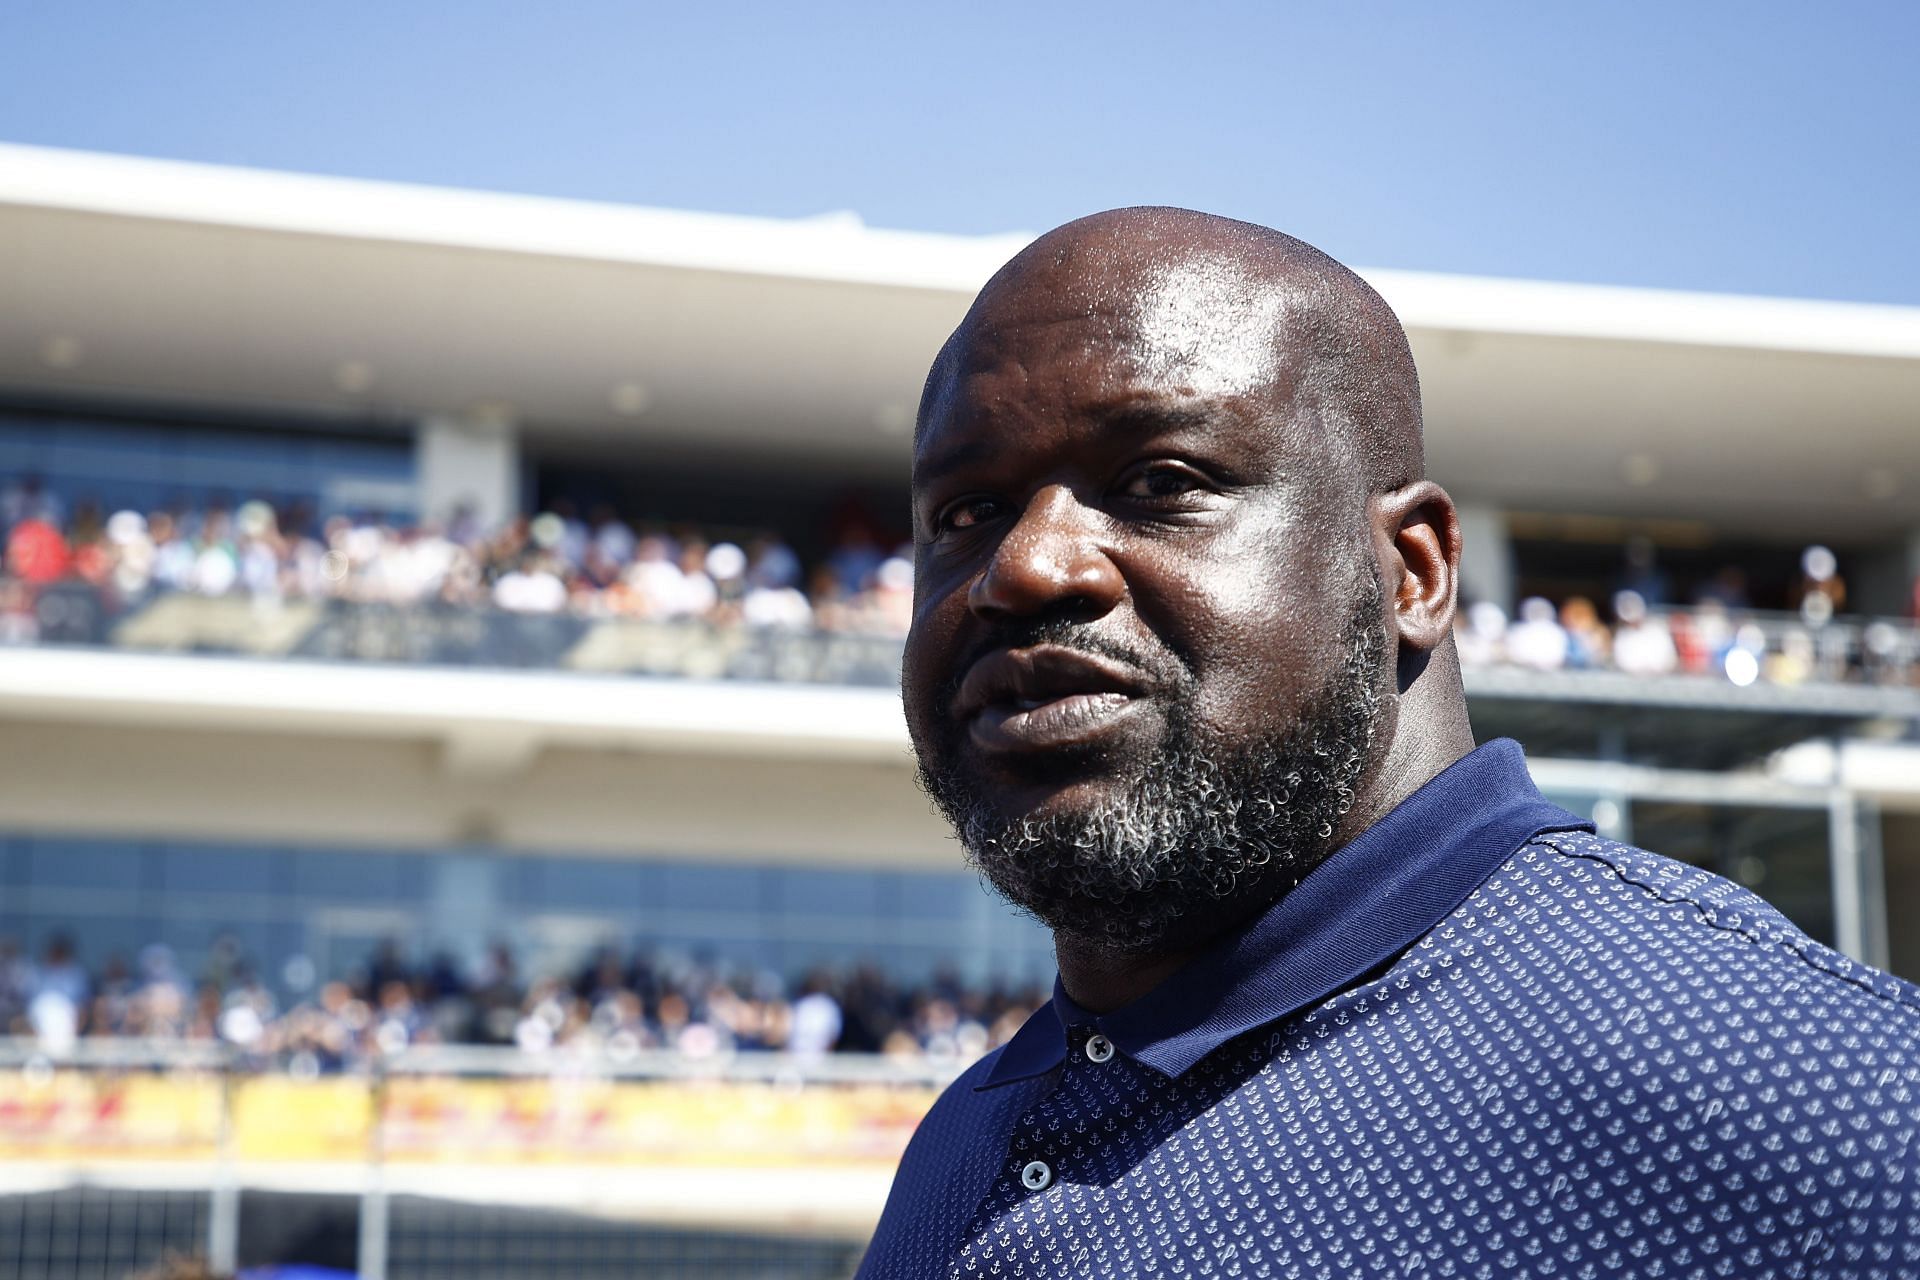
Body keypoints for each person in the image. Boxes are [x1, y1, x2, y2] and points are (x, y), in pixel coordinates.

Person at [859, 208, 1920, 1277]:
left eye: (1161, 482)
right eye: (967, 511)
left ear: (1412, 571)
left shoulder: (1815, 1099)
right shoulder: (959, 1145)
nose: (1030, 566)